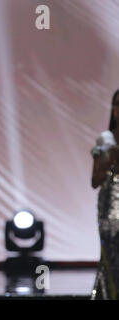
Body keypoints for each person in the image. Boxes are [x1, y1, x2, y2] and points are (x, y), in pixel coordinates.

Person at [91, 89, 119, 300]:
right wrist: (108, 160)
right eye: (117, 104)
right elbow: (94, 181)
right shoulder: (106, 139)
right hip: (110, 206)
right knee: (111, 256)